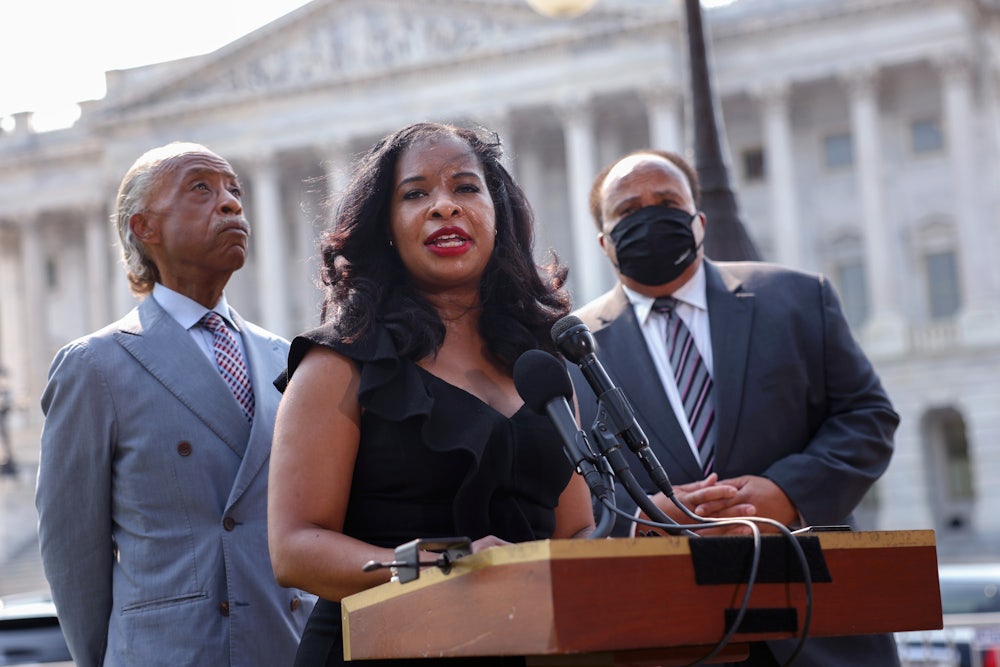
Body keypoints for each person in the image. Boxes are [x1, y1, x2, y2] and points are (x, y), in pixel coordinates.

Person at [267, 122, 596, 666]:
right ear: (387, 228)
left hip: (531, 644)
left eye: (466, 187)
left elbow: (578, 525)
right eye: (415, 193)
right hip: (382, 647)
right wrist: (448, 563)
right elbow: (295, 550)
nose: (444, 206)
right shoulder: (337, 365)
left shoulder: (538, 365)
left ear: (498, 215)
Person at [569, 148, 901, 666]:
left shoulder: (796, 298)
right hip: (666, 635)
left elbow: (867, 417)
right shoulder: (569, 351)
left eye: (667, 201)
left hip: (818, 623)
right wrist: (639, 520)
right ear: (604, 241)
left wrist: (788, 492)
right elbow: (562, 486)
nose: (650, 216)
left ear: (699, 222)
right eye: (629, 210)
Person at [35, 142, 314, 667]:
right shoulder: (95, 365)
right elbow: (71, 550)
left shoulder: (287, 357)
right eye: (201, 189)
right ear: (144, 228)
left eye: (234, 190)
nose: (231, 203)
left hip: (286, 646)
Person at [0, 366, 15, 475]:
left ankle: (8, 464)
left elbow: (9, 406)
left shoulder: (6, 392)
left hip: (3, 422)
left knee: (6, 444)